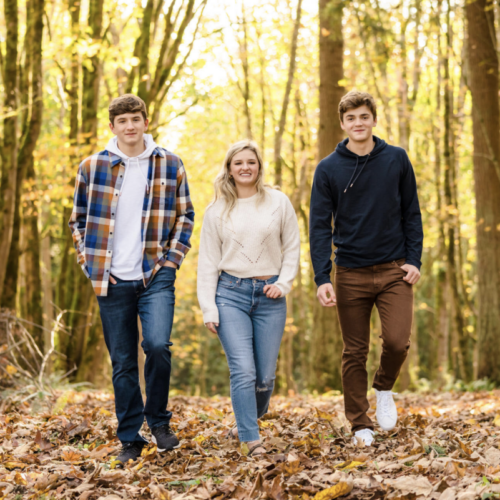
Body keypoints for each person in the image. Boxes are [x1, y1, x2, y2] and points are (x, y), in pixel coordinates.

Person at [69, 94, 194, 464]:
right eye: (122, 121)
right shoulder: (92, 167)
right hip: (109, 277)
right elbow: (76, 219)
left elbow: (185, 215)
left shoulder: (169, 163)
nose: (129, 126)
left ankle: (158, 421)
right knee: (122, 361)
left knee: (157, 346)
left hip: (154, 273)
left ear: (145, 122)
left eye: (135, 119)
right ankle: (130, 437)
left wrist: (171, 260)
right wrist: (88, 263)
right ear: (112, 127)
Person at [309, 90, 423, 446]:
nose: (358, 123)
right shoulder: (328, 168)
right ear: (342, 124)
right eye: (351, 118)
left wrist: (414, 259)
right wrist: (322, 276)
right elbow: (318, 226)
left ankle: (384, 388)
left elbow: (412, 213)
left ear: (374, 119)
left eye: (364, 116)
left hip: (394, 269)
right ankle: (360, 422)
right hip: (350, 272)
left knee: (397, 341)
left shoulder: (397, 159)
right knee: (354, 350)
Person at [197, 140, 300, 457]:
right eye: (238, 162)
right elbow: (208, 263)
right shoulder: (216, 211)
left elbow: (293, 247)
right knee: (243, 370)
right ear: (229, 168)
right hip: (230, 295)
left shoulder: (278, 202)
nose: (245, 167)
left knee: (265, 377)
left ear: (259, 167)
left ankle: (246, 420)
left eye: (250, 162)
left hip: (270, 297)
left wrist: (283, 284)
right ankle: (250, 439)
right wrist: (208, 308)